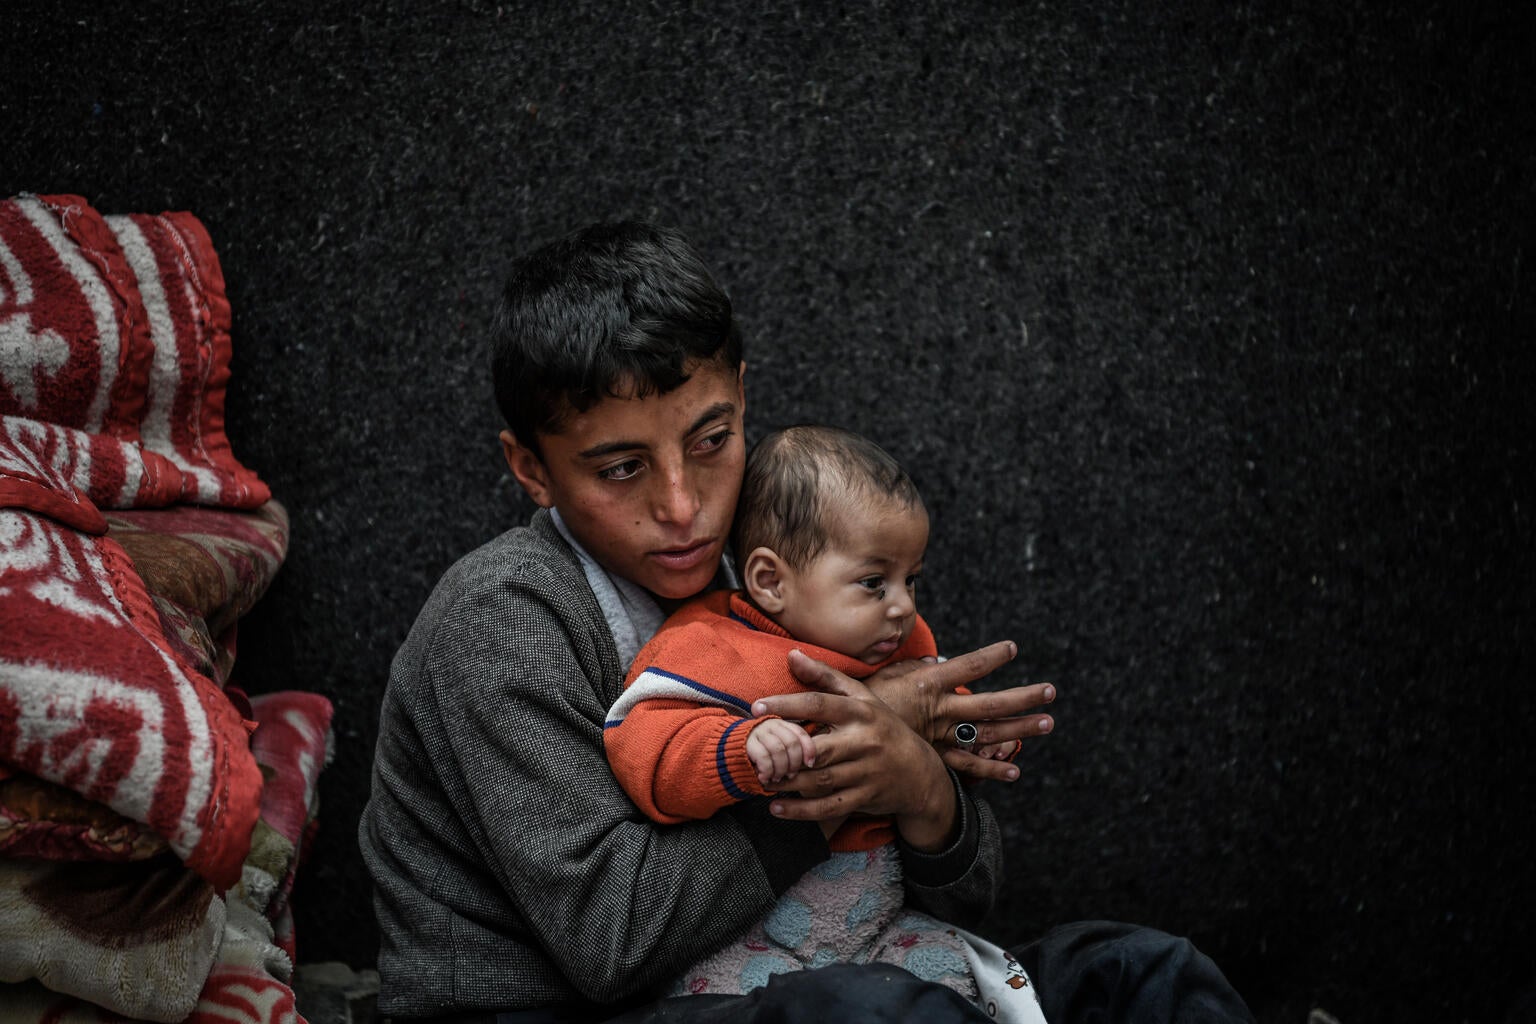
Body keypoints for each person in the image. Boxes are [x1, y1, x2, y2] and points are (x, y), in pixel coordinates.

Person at [358, 220, 1257, 1023]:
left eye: (712, 440)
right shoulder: (506, 618)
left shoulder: (768, 566)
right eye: (621, 468)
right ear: (533, 468)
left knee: (1143, 976)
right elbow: (613, 943)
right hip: (570, 1006)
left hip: (830, 957)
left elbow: (967, 897)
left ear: (744, 397)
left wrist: (921, 786)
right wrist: (848, 757)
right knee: (869, 1015)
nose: (685, 506)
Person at [604, 423, 1043, 1020]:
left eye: (910, 579)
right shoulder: (707, 649)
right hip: (747, 928)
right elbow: (646, 748)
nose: (904, 606)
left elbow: (947, 708)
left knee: (954, 983)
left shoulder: (898, 645)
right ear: (770, 582)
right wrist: (742, 745)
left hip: (881, 919)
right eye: (873, 582)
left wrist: (977, 740)